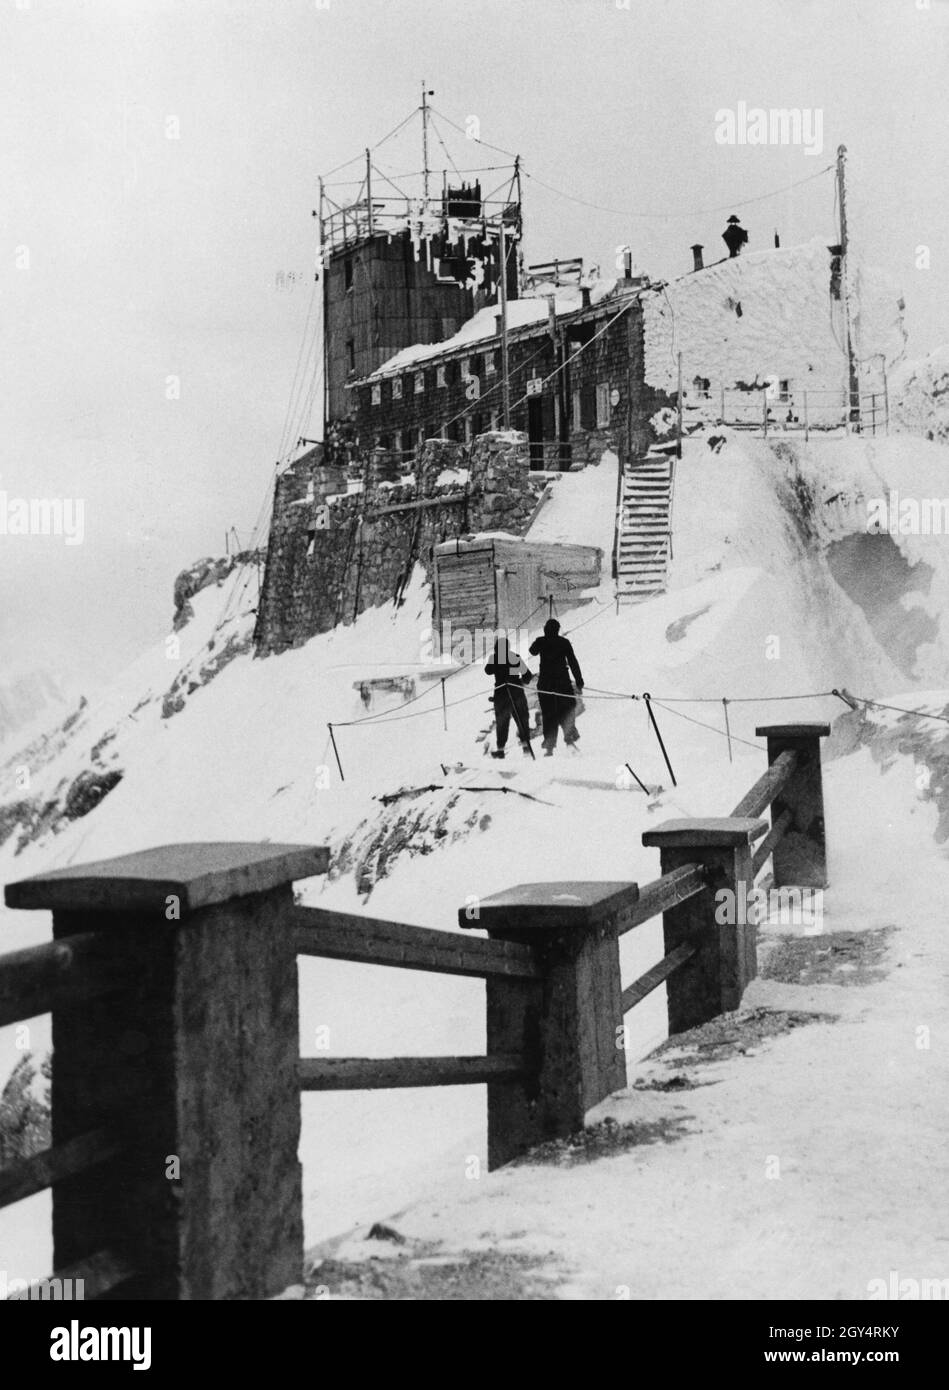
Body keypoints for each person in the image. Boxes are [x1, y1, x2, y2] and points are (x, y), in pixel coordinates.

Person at [528, 618, 584, 755]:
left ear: (545, 629)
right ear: (558, 630)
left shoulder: (541, 641)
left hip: (546, 685)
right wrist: (579, 680)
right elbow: (572, 661)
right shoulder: (563, 642)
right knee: (567, 710)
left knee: (549, 715)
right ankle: (569, 739)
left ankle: (549, 747)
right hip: (562, 683)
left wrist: (541, 640)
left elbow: (532, 651)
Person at [484, 637, 533, 758]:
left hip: (501, 695)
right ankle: (526, 748)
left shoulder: (494, 658)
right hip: (517, 693)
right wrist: (517, 679)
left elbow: (488, 671)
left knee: (502, 722)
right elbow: (527, 675)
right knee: (522, 720)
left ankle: (500, 750)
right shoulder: (515, 657)